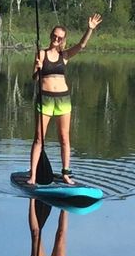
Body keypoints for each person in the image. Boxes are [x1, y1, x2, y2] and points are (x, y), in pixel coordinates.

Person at [28, 13, 101, 185]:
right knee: (39, 138)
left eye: (60, 38)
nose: (56, 39)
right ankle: (32, 175)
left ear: (63, 40)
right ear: (50, 36)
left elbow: (81, 45)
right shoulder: (41, 53)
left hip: (63, 100)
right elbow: (34, 79)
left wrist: (89, 29)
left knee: (64, 138)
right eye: (54, 36)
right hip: (45, 99)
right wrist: (37, 69)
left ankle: (66, 174)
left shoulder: (65, 56)